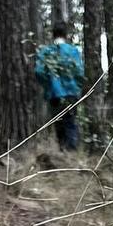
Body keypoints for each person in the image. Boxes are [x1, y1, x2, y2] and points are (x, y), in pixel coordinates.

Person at [33, 23, 85, 152]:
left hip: (54, 94)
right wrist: (77, 87)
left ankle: (63, 152)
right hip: (71, 93)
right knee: (71, 122)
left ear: (53, 35)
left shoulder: (46, 52)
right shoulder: (73, 51)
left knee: (59, 123)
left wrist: (48, 86)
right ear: (65, 35)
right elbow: (79, 72)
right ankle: (71, 154)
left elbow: (39, 72)